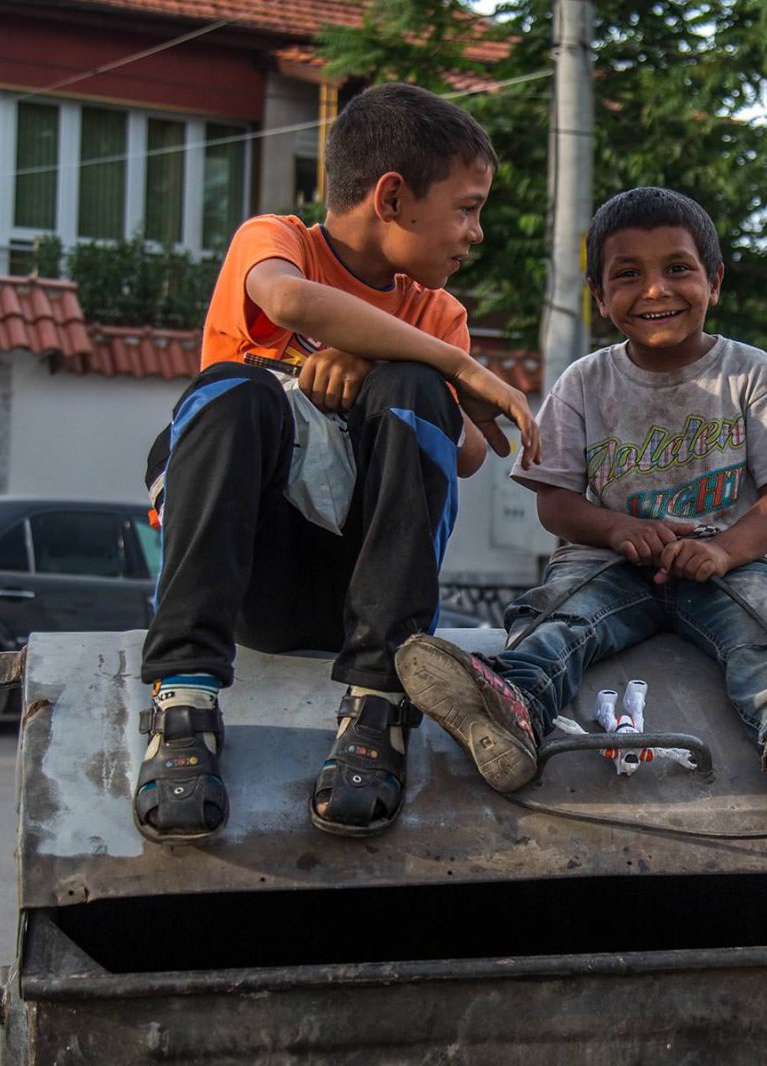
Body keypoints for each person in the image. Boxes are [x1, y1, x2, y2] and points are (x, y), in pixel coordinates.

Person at [132, 83, 539, 845]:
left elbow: (475, 453)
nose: (476, 232)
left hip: (362, 593)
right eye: (466, 207)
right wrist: (461, 366)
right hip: (252, 583)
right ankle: (182, 703)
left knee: (415, 387)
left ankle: (379, 710)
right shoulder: (275, 239)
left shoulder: (436, 311)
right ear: (392, 196)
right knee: (234, 391)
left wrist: (388, 359)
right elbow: (287, 301)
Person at [395, 186, 767, 836]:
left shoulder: (752, 374)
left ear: (714, 282)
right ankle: (511, 712)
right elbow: (555, 503)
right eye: (628, 275)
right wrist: (618, 528)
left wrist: (723, 551)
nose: (654, 290)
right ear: (598, 295)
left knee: (766, 635)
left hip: (726, 568)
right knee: (558, 619)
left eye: (677, 268)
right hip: (607, 564)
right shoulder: (584, 383)